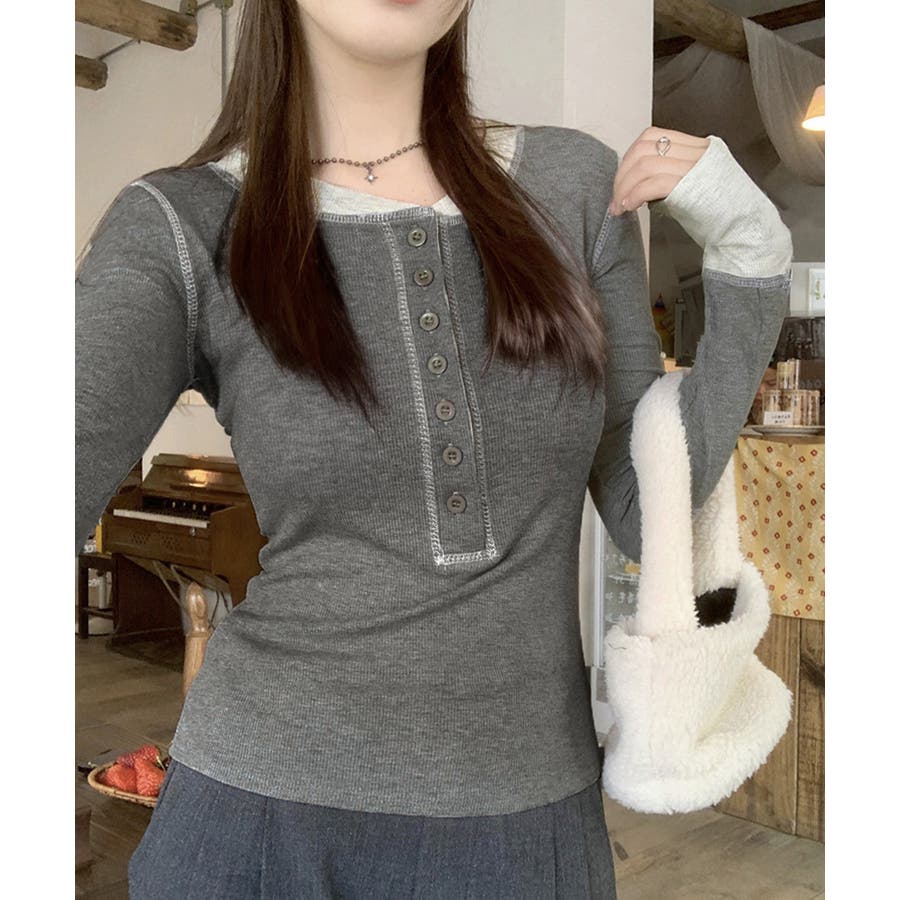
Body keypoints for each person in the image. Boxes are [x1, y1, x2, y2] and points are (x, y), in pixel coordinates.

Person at [75, 1, 793, 897]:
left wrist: (753, 257)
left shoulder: (573, 187)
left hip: (531, 826)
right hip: (258, 827)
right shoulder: (181, 225)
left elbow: (654, 514)